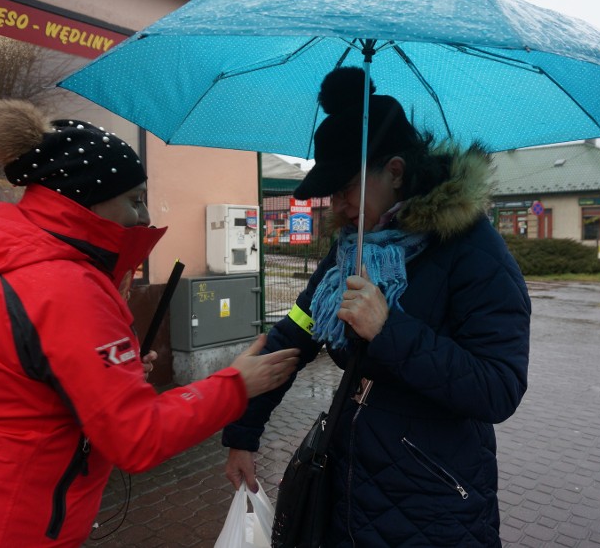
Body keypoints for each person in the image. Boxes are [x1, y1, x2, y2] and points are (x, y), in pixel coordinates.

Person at [0, 99, 298, 547]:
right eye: (135, 200)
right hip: (1, 525)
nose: (146, 217)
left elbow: (12, 386)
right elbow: (137, 439)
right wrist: (236, 385)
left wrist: (107, 381)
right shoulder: (66, 286)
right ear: (87, 201)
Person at [223, 67, 531, 546]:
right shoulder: (352, 250)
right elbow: (296, 332)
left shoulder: (474, 252)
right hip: (349, 483)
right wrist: (243, 431)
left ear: (395, 171)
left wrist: (390, 331)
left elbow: (498, 387)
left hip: (434, 504)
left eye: (345, 187)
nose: (338, 205)